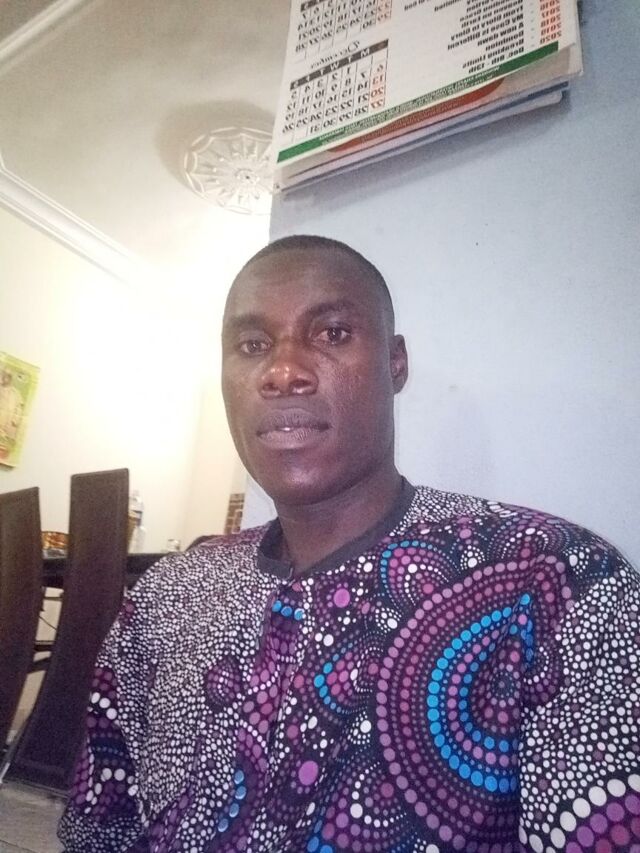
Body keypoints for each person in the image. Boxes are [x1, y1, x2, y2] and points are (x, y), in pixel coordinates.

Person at [59, 236, 640, 852]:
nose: (282, 371)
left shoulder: (556, 581)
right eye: (252, 345)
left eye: (332, 334)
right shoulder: (168, 595)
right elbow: (100, 829)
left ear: (396, 364)